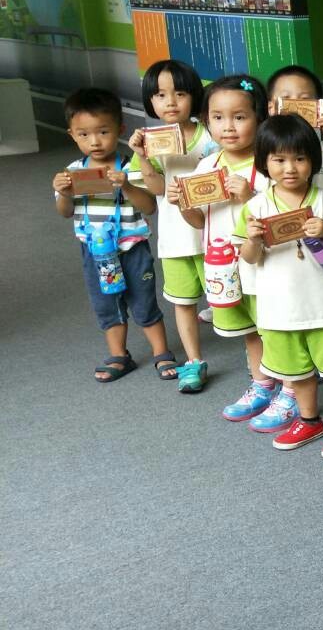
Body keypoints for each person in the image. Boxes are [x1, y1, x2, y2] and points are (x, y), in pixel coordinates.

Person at [236, 115, 323, 459]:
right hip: (279, 310)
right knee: (298, 372)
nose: (289, 168)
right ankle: (309, 419)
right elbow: (248, 258)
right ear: (264, 162)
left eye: (300, 158)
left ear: (313, 160)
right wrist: (252, 240)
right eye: (279, 160)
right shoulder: (255, 207)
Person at [52, 87, 173, 382]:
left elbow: (149, 207)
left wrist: (127, 187)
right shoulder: (71, 172)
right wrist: (63, 193)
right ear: (72, 134)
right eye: (84, 134)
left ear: (119, 129)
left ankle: (162, 353)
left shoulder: (130, 167)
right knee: (106, 302)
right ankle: (119, 355)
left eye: (103, 131)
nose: (94, 141)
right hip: (94, 250)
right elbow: (65, 212)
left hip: (131, 247)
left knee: (143, 299)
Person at [175, 76, 274, 424]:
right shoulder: (207, 167)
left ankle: (292, 389)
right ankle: (262, 384)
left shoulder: (268, 166)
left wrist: (250, 197)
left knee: (274, 326)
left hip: (263, 264)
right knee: (247, 329)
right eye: (217, 117)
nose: (227, 127)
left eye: (239, 117)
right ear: (206, 121)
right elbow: (199, 223)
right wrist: (182, 204)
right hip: (222, 265)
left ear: (259, 118)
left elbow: (281, 215)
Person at [126, 60, 217, 392]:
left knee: (231, 297)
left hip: (214, 231)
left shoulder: (211, 134)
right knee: (182, 300)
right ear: (150, 100)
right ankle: (193, 361)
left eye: (179, 93)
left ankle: (259, 362)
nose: (170, 102)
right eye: (160, 95)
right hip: (176, 236)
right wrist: (143, 157)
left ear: (194, 96)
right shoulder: (150, 141)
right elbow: (156, 191)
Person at [266, 65, 323, 195]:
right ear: (271, 108)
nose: (295, 105)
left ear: (318, 107)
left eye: (304, 99)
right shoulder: (265, 147)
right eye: (286, 98)